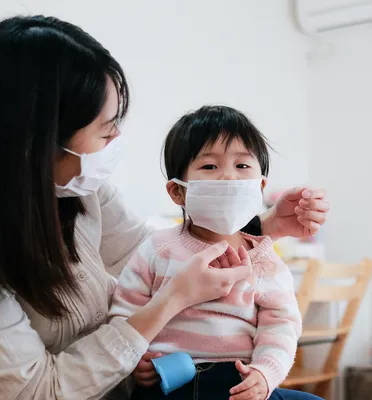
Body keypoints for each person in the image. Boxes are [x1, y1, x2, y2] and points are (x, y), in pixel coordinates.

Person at [0, 16, 329, 400]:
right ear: (38, 141)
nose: (117, 138)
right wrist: (154, 331)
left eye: (242, 166)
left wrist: (261, 226)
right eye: (106, 128)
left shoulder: (82, 189)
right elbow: (38, 390)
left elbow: (277, 320)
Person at [109, 106, 320, 400]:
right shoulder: (157, 248)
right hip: (168, 380)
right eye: (210, 167)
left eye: (242, 166)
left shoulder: (264, 260)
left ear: (260, 187)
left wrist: (264, 373)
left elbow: (281, 327)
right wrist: (136, 357)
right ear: (177, 192)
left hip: (237, 382)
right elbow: (124, 310)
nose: (229, 178)